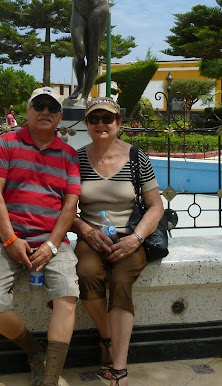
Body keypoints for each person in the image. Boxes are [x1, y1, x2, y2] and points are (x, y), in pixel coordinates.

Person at [0, 87, 81, 386]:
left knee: (67, 297)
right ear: (28, 110)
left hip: (53, 242)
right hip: (6, 240)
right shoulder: (6, 144)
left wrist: (51, 245)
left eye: (52, 107)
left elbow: (70, 205)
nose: (45, 111)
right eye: (40, 105)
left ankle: (49, 377)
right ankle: (35, 352)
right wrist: (10, 241)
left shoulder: (69, 155)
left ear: (60, 116)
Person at [71, 97, 164, 386]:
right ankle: (108, 338)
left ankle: (119, 366)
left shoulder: (137, 157)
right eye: (94, 119)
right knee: (86, 274)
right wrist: (85, 231)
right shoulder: (76, 159)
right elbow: (66, 210)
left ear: (118, 123)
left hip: (129, 236)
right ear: (86, 124)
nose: (100, 124)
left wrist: (135, 239)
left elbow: (156, 206)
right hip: (92, 236)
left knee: (121, 283)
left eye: (107, 119)